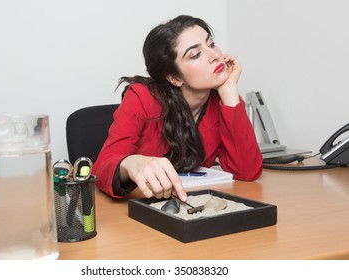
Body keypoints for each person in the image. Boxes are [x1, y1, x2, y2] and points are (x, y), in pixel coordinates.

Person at [92, 15, 263, 201]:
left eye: (211, 44)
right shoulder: (142, 96)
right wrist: (130, 163)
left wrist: (229, 89)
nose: (215, 56)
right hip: (140, 207)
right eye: (196, 54)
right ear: (174, 77)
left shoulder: (223, 99)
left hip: (190, 205)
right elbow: (101, 168)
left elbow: (247, 171)